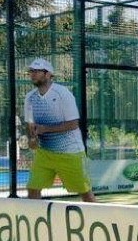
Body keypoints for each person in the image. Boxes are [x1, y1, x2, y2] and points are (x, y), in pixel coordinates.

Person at [24, 58, 96, 202]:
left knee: (85, 193)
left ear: (48, 74)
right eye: (31, 71)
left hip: (70, 152)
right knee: (33, 189)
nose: (33, 74)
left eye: (37, 71)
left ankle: (99, 215)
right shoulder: (29, 97)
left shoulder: (63, 93)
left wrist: (45, 129)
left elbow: (73, 124)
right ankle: (35, 216)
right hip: (44, 153)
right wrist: (32, 139)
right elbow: (30, 125)